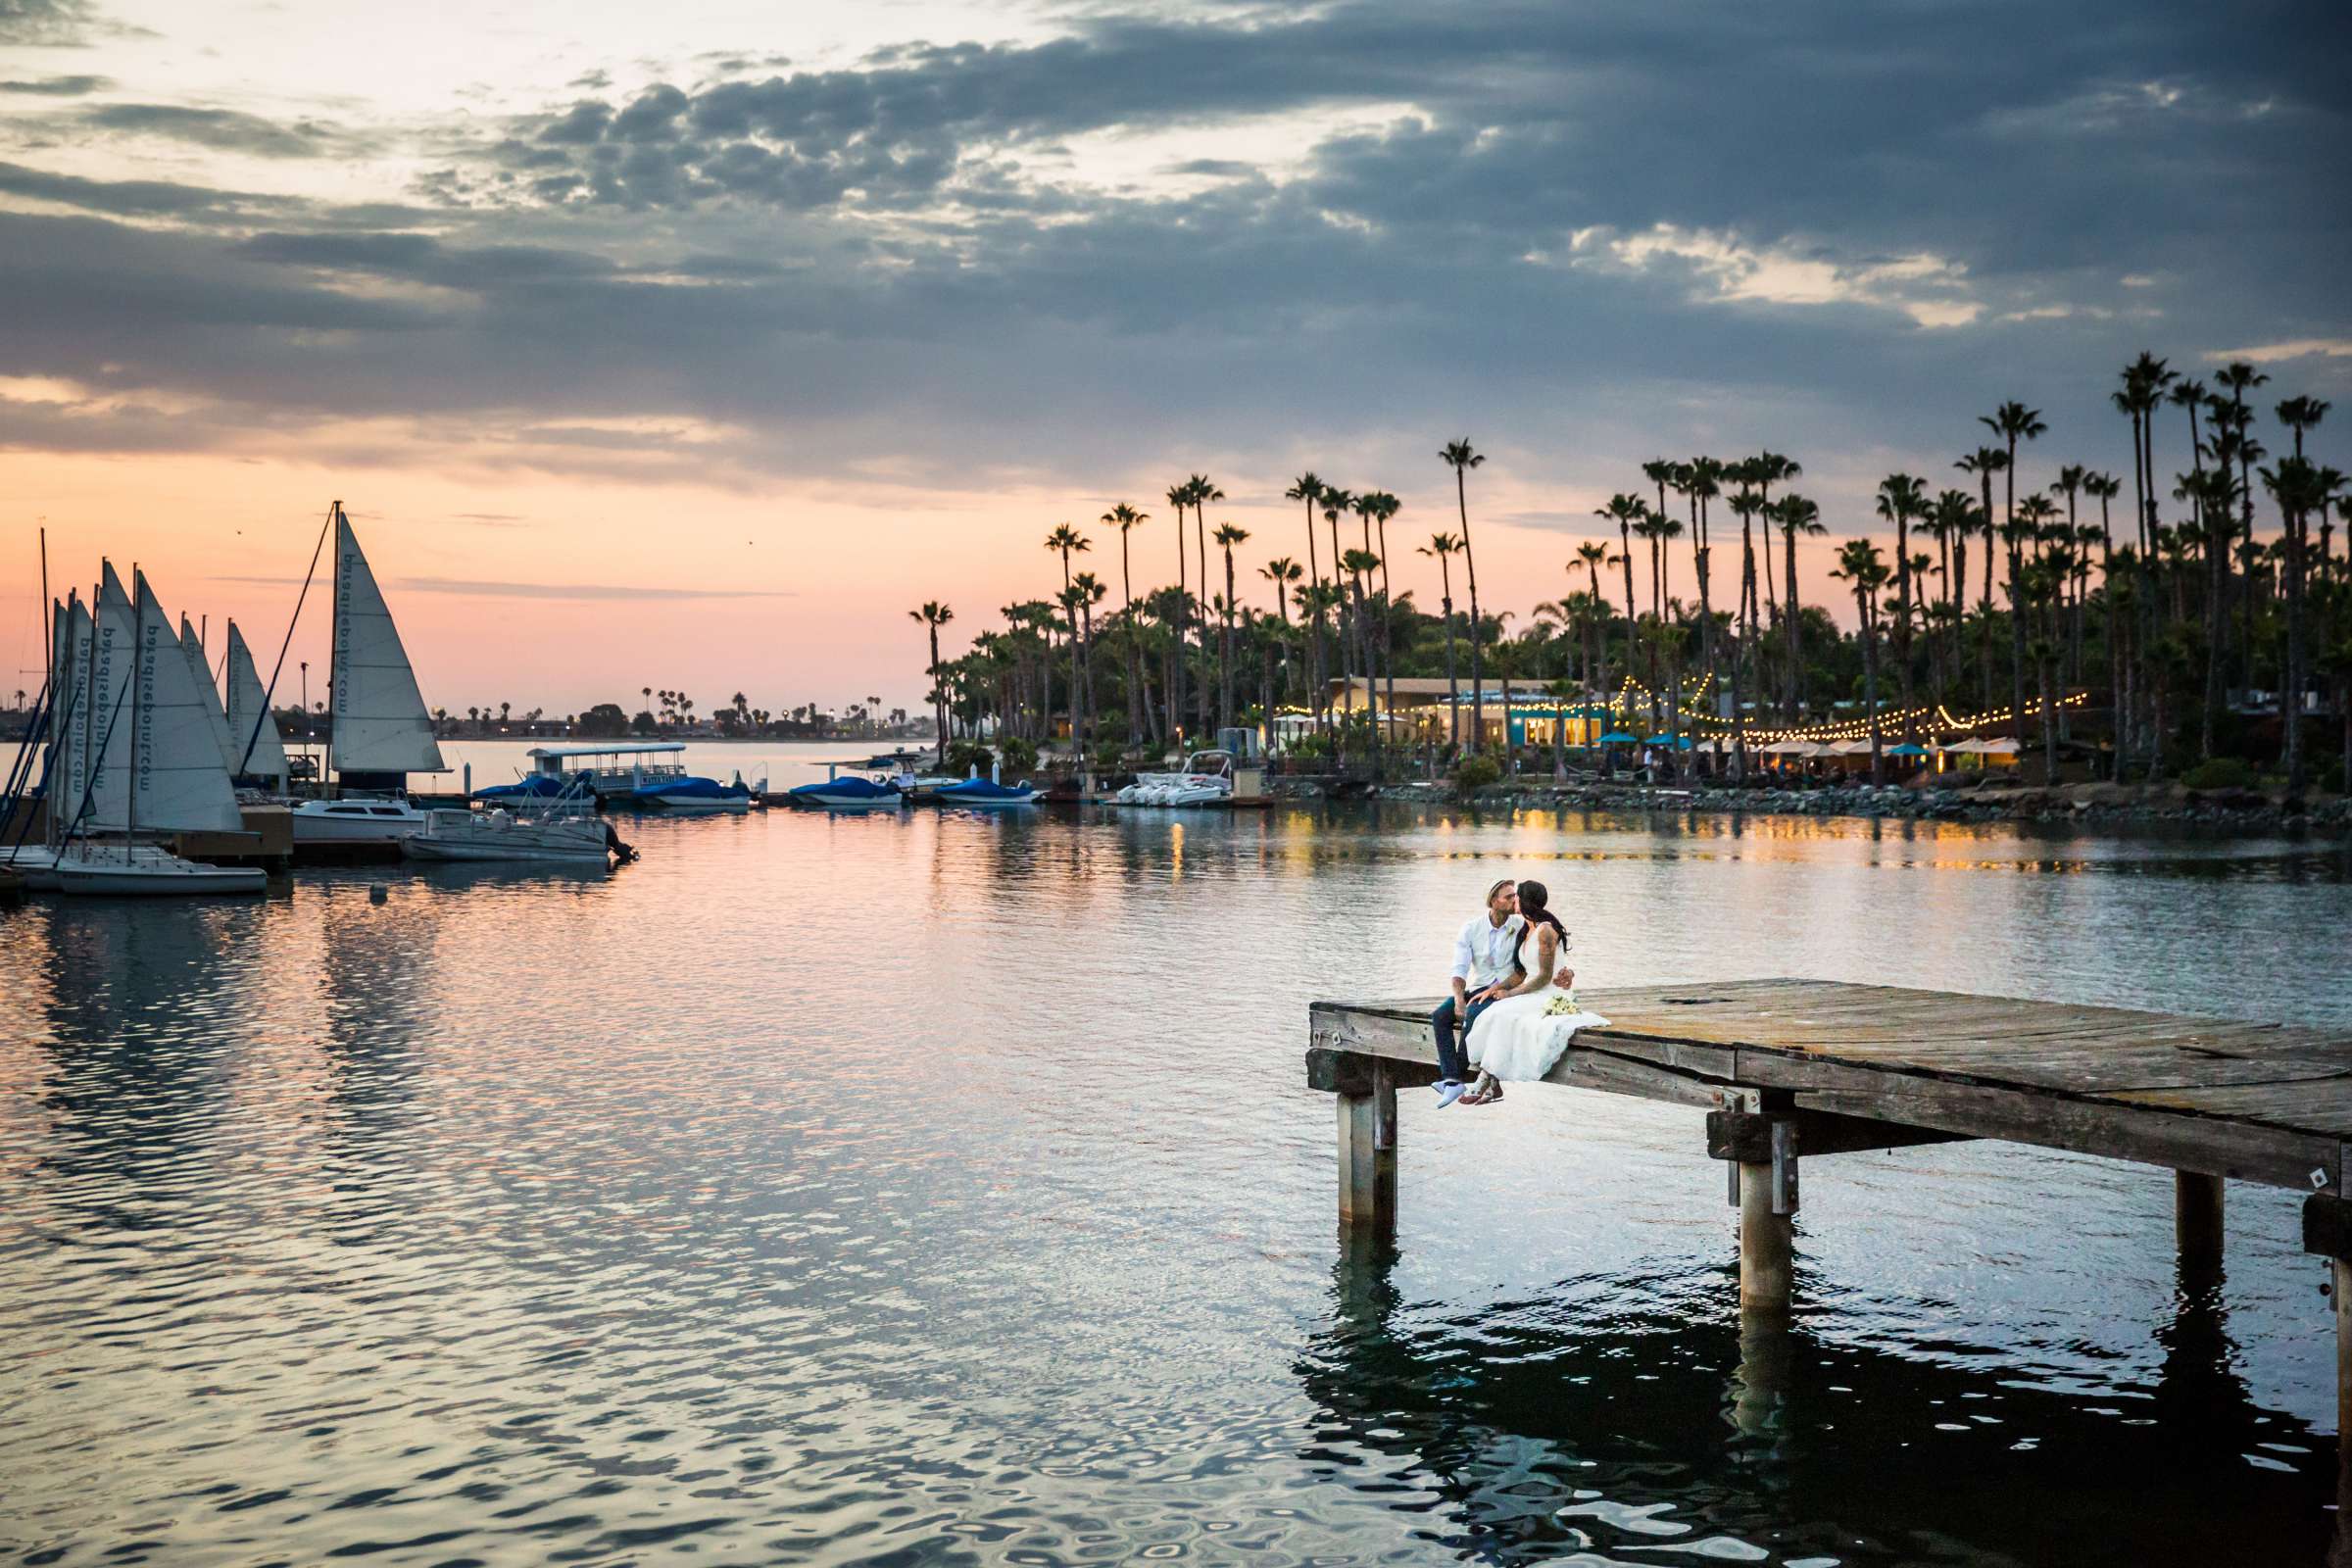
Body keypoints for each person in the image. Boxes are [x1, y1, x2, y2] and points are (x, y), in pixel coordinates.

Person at [1458, 880, 1610, 1105]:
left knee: (1501, 1015)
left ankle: (1485, 1079)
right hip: (1531, 991)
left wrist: (1510, 995)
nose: (1513, 901)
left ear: (1524, 901)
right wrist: (1495, 989)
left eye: (1516, 896)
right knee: (1494, 1013)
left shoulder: (1545, 930)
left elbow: (1544, 977)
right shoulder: (1525, 928)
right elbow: (1521, 974)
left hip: (1549, 993)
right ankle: (1490, 1081)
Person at [1428, 879, 1523, 1109]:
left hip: (1506, 992)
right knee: (1440, 1015)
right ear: (1493, 901)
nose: (1513, 900)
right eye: (1508, 897)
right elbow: (1459, 969)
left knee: (1473, 1012)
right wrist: (1459, 1000)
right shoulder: (1471, 928)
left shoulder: (1520, 926)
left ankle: (1458, 1077)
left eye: (1514, 896)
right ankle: (1451, 1078)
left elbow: (1525, 968)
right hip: (1478, 987)